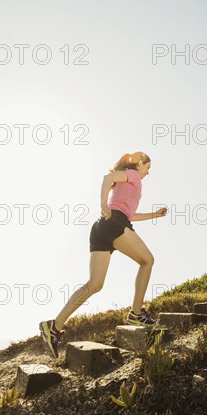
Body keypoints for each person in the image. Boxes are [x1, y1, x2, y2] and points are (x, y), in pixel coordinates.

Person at [39, 151, 168, 358]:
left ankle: (54, 326)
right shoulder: (132, 173)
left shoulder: (129, 181)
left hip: (101, 228)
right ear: (140, 164)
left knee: (95, 284)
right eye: (148, 168)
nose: (148, 173)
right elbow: (107, 179)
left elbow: (130, 214)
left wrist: (154, 215)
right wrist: (102, 204)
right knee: (147, 260)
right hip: (114, 223)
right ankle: (136, 313)